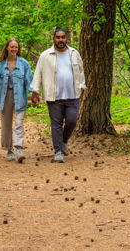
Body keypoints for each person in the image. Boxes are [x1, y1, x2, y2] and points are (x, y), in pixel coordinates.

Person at [31, 27, 86, 163]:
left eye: (62, 37)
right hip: (54, 97)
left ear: (66, 38)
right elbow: (38, 73)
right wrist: (35, 91)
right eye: (58, 37)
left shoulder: (74, 53)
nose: (60, 40)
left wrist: (82, 86)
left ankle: (64, 141)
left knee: (72, 121)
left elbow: (80, 71)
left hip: (73, 95)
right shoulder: (45, 55)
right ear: (54, 39)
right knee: (56, 125)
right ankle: (58, 152)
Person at [0, 38, 33, 163]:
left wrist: (33, 94)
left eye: (16, 47)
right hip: (5, 97)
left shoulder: (24, 64)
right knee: (6, 124)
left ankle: (19, 149)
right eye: (12, 47)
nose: (14, 49)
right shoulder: (0, 65)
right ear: (7, 48)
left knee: (19, 123)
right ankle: (9, 150)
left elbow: (29, 81)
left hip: (20, 96)